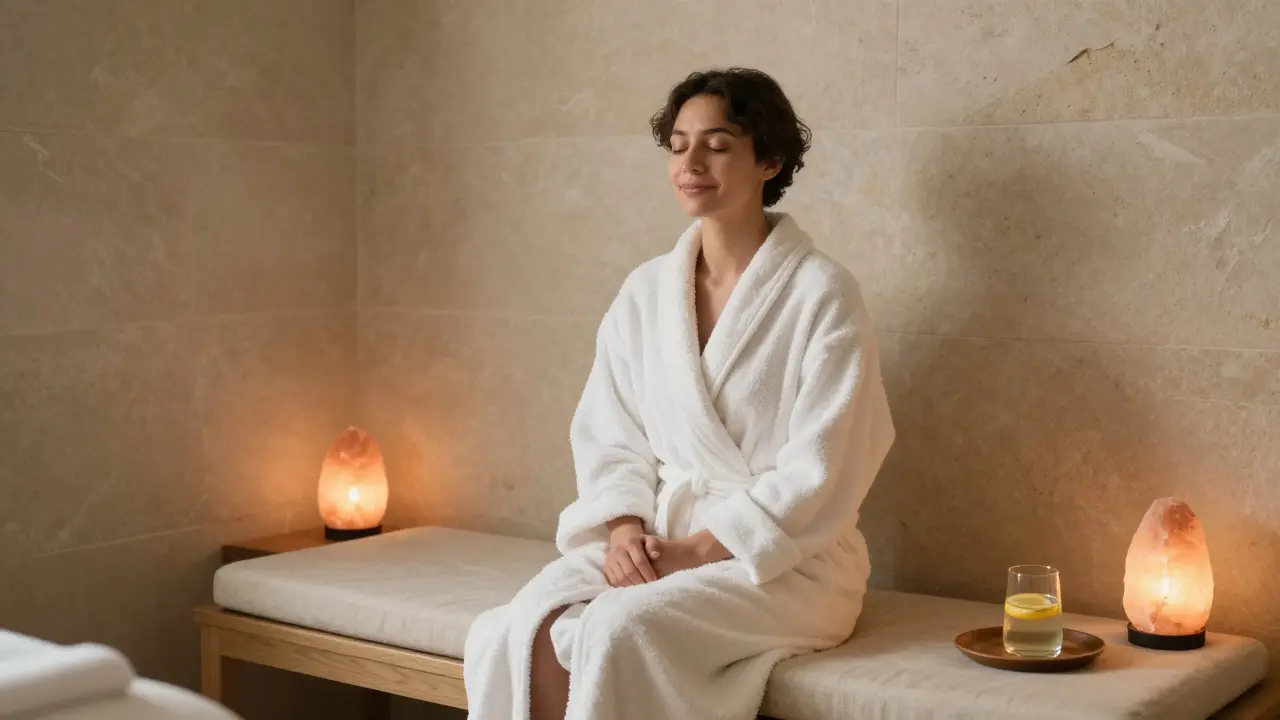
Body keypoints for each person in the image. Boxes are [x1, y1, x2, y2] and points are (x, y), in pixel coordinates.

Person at [463, 67, 896, 720]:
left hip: (783, 564)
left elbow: (827, 466)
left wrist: (697, 551)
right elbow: (611, 434)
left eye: (718, 145)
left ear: (769, 160)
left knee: (618, 628)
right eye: (678, 144)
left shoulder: (822, 294)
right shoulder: (645, 293)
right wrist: (625, 533)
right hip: (657, 541)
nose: (691, 162)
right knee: (527, 623)